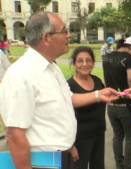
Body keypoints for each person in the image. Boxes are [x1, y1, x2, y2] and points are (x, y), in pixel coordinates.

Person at [0, 12, 118, 169]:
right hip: (42, 162)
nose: (69, 36)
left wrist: (98, 94)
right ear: (47, 37)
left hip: (61, 156)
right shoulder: (21, 75)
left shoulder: (52, 67)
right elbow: (15, 135)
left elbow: (67, 99)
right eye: (64, 31)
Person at [102, 37, 131, 169]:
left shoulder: (106, 57)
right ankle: (129, 166)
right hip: (127, 105)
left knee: (117, 136)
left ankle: (119, 165)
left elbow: (108, 77)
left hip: (111, 106)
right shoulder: (130, 59)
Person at [67, 47, 106, 169]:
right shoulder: (69, 86)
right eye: (80, 61)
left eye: (88, 60)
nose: (85, 64)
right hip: (79, 140)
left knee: (98, 166)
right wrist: (70, 145)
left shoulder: (97, 81)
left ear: (93, 63)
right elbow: (62, 117)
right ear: (74, 63)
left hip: (99, 134)